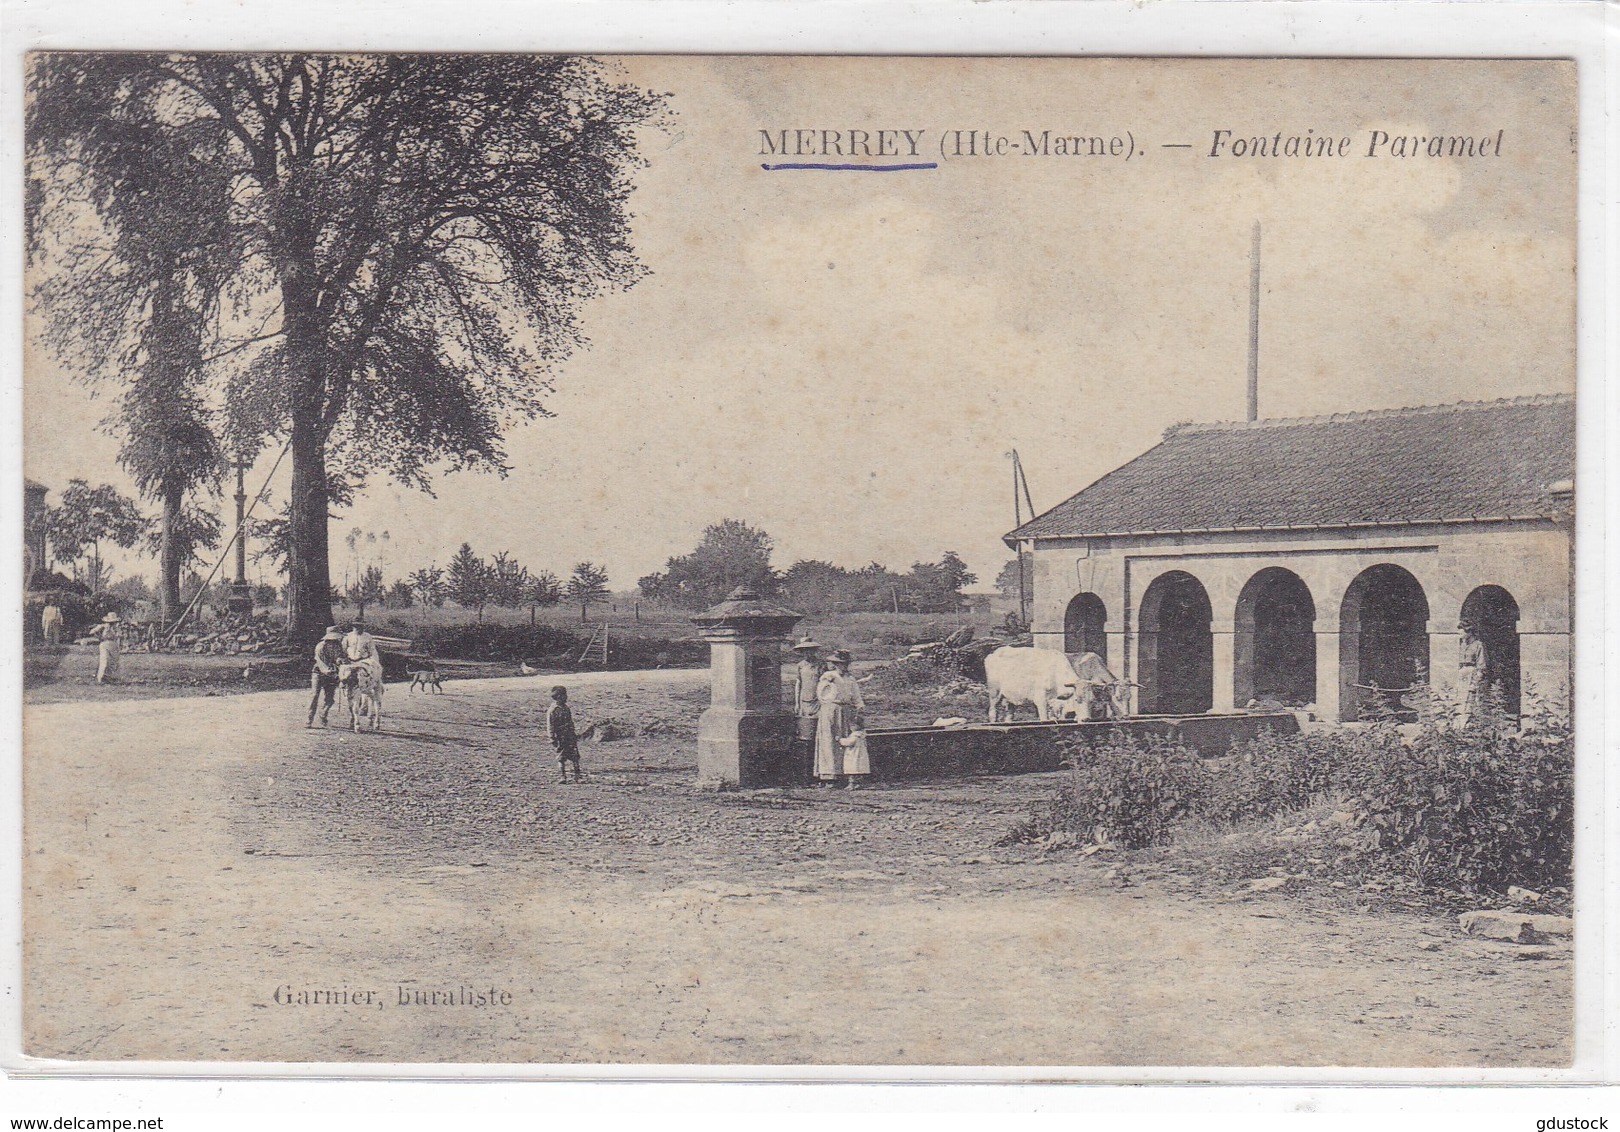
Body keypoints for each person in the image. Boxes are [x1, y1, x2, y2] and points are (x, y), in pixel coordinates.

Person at [815, 648, 868, 788]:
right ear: (834, 664)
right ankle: (829, 776)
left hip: (846, 711)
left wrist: (860, 706)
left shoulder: (850, 678)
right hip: (830, 710)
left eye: (845, 663)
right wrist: (828, 684)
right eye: (839, 663)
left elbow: (856, 695)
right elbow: (821, 693)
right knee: (829, 740)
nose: (843, 666)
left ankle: (845, 774)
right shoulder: (828, 676)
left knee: (845, 740)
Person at [791, 637, 823, 773]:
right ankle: (806, 770)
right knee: (805, 733)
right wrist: (797, 703)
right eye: (804, 651)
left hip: (818, 701)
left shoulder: (821, 665)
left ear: (814, 651)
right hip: (804, 702)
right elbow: (799, 684)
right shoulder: (800, 665)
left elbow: (824, 684)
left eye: (810, 651)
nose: (807, 654)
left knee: (818, 732)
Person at [308, 625, 344, 728]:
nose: (334, 640)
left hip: (332, 674)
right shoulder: (320, 646)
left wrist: (339, 661)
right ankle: (309, 719)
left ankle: (323, 714)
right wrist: (330, 672)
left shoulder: (338, 646)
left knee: (330, 699)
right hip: (319, 673)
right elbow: (321, 663)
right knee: (314, 695)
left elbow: (338, 657)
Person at [546, 685, 582, 783]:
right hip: (560, 737)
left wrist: (573, 732)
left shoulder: (566, 708)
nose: (566, 697)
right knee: (561, 757)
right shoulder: (553, 710)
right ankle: (563, 776)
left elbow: (570, 722)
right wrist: (552, 738)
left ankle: (577, 776)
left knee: (575, 756)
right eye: (564, 696)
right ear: (558, 697)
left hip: (569, 735)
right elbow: (550, 725)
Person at [92, 612, 122, 684]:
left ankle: (108, 677)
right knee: (104, 660)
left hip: (114, 644)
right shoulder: (102, 626)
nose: (112, 623)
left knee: (113, 662)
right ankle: (101, 677)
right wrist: (99, 636)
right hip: (105, 643)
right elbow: (92, 632)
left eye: (114, 622)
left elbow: (119, 636)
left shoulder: (117, 628)